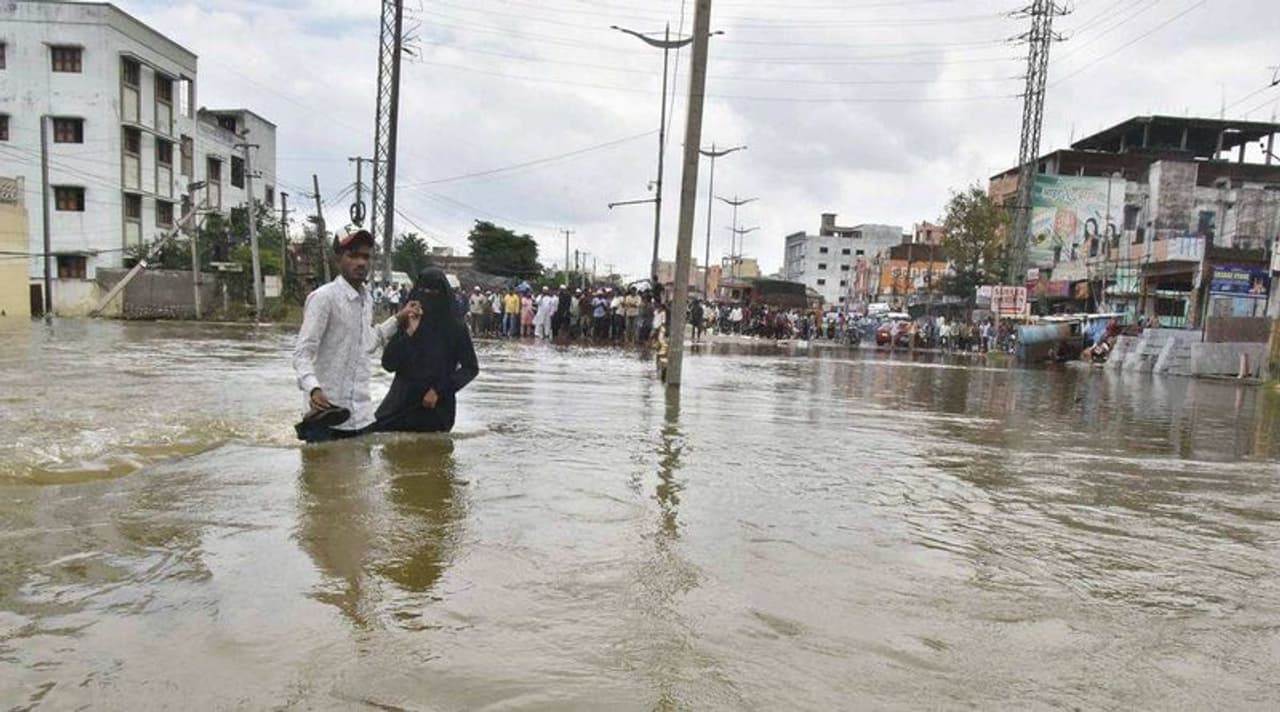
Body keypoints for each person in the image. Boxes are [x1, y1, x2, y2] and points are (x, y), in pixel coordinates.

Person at [293, 228, 419, 443]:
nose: (361, 262)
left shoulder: (366, 299)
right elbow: (302, 353)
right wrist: (313, 389)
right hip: (326, 415)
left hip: (361, 416)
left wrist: (399, 318)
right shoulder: (324, 298)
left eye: (366, 256)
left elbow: (368, 342)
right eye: (352, 255)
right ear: (338, 259)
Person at [375, 268, 479, 433]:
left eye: (435, 291)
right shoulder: (408, 321)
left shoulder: (456, 328)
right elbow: (388, 364)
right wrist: (409, 332)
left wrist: (439, 390)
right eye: (424, 291)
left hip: (436, 410)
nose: (428, 296)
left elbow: (470, 368)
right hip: (399, 407)